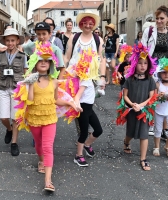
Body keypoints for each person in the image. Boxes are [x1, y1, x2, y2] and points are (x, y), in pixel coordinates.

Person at [13, 47, 78, 192]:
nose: (43, 63)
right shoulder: (30, 80)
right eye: (40, 61)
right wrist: (29, 83)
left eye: (46, 61)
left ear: (50, 64)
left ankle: (48, 181)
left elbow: (56, 100)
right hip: (34, 118)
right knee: (39, 144)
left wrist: (70, 103)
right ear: (35, 63)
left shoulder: (54, 81)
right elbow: (29, 100)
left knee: (48, 147)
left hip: (50, 118)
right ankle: (40, 160)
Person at [64, 10, 106, 167]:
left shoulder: (97, 39)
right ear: (80, 24)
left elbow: (101, 59)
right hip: (74, 80)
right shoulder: (75, 38)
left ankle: (86, 144)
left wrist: (102, 77)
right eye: (85, 23)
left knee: (90, 118)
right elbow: (67, 57)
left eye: (91, 23)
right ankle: (79, 152)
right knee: (81, 117)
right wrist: (62, 74)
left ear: (94, 25)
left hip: (89, 80)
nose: (88, 25)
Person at [141, 5, 168, 138]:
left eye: (162, 18)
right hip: (152, 67)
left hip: (166, 69)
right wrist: (145, 68)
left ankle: (164, 129)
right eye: (157, 18)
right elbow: (142, 51)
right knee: (153, 95)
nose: (158, 21)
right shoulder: (149, 31)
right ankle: (152, 123)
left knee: (166, 95)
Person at [121, 43, 157, 171]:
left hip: (145, 111)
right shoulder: (130, 79)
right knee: (130, 131)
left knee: (144, 134)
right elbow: (125, 95)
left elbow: (152, 97)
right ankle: (126, 142)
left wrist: (141, 105)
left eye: (145, 63)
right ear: (135, 64)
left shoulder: (150, 80)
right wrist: (132, 105)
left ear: (149, 65)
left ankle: (143, 159)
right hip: (132, 109)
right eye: (140, 63)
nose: (143, 66)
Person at [0, 28, 27, 156]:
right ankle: (9, 129)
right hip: (3, 89)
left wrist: (26, 93)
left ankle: (14, 143)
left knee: (15, 118)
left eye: (13, 40)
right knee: (4, 117)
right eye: (8, 40)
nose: (10, 43)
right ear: (4, 41)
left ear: (17, 41)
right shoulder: (0, 56)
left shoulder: (23, 56)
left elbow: (25, 75)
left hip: (17, 90)